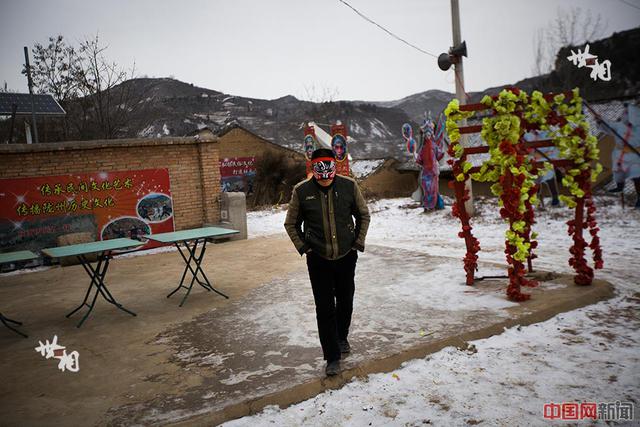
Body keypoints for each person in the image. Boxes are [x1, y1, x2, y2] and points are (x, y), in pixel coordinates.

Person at [284, 148, 370, 377]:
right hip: (318, 258)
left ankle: (341, 337)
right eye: (320, 169)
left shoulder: (348, 186)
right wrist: (305, 247)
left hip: (346, 255)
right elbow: (291, 224)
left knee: (345, 300)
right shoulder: (301, 191)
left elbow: (363, 215)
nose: (326, 176)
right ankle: (331, 356)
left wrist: (357, 244)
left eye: (329, 169)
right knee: (324, 307)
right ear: (314, 169)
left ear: (334, 168)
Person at [601, 103, 640, 208]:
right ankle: (619, 186)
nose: (623, 114)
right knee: (618, 172)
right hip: (620, 154)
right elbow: (608, 126)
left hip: (634, 156)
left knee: (637, 175)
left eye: (626, 113)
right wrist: (601, 121)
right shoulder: (619, 126)